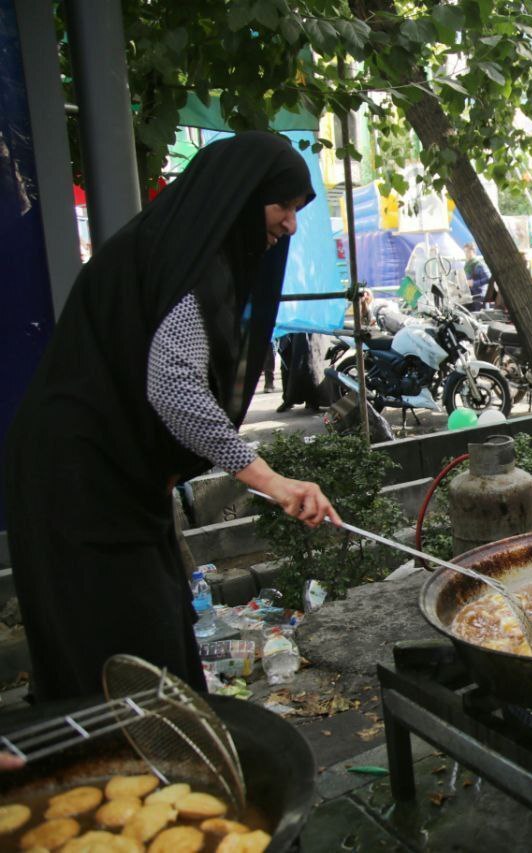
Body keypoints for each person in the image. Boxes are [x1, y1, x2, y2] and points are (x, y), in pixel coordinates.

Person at [2, 132, 342, 702]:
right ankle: (125, 776)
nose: (289, 225)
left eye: (296, 211)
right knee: (123, 650)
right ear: (241, 196)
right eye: (282, 206)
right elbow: (176, 389)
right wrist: (273, 482)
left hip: (107, 475)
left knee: (154, 636)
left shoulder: (170, 247)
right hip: (78, 482)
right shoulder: (188, 264)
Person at [462, 242, 490, 310]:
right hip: (470, 296)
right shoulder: (467, 265)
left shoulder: (479, 264)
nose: (466, 254)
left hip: (479, 296)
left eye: (468, 251)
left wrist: (474, 283)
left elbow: (488, 278)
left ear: (473, 251)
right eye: (465, 252)